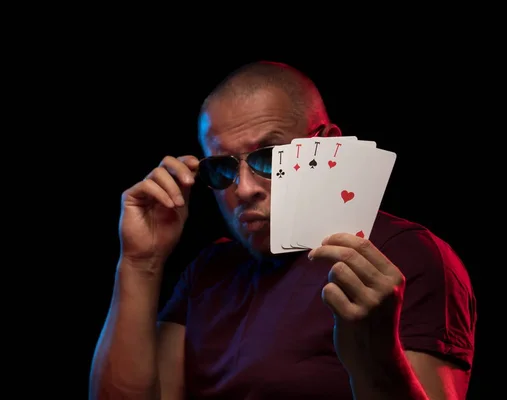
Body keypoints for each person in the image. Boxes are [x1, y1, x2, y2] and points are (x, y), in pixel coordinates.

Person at [89, 61, 477, 400]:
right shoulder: (207, 270)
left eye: (270, 157)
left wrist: (376, 356)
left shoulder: (408, 254)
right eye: (223, 168)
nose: (243, 189)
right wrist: (140, 263)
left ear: (326, 146)